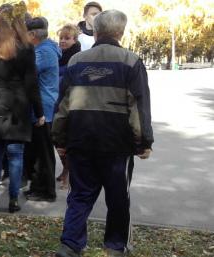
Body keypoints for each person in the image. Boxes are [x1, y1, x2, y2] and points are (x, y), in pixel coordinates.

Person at [52, 10, 153, 257]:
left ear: (95, 31)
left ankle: (70, 245)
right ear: (121, 32)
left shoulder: (76, 62)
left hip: (80, 140)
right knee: (118, 198)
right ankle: (115, 247)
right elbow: (139, 106)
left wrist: (60, 139)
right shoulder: (130, 61)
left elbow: (63, 104)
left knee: (80, 195)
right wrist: (144, 141)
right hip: (116, 144)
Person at [0, 2, 44, 213]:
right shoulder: (26, 49)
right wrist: (40, 112)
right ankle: (13, 200)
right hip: (19, 108)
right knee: (16, 156)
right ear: (18, 24)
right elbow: (32, 84)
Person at [23, 17, 61, 202]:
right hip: (40, 106)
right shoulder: (42, 49)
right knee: (36, 151)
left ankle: (47, 191)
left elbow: (26, 71)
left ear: (32, 35)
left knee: (44, 152)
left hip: (44, 108)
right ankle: (38, 187)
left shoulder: (43, 51)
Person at [55, 24, 81, 185]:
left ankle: (69, 173)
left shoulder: (77, 57)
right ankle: (66, 169)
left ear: (75, 40)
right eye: (61, 38)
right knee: (58, 140)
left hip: (69, 102)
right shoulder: (58, 55)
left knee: (66, 140)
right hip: (55, 101)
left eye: (67, 38)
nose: (63, 41)